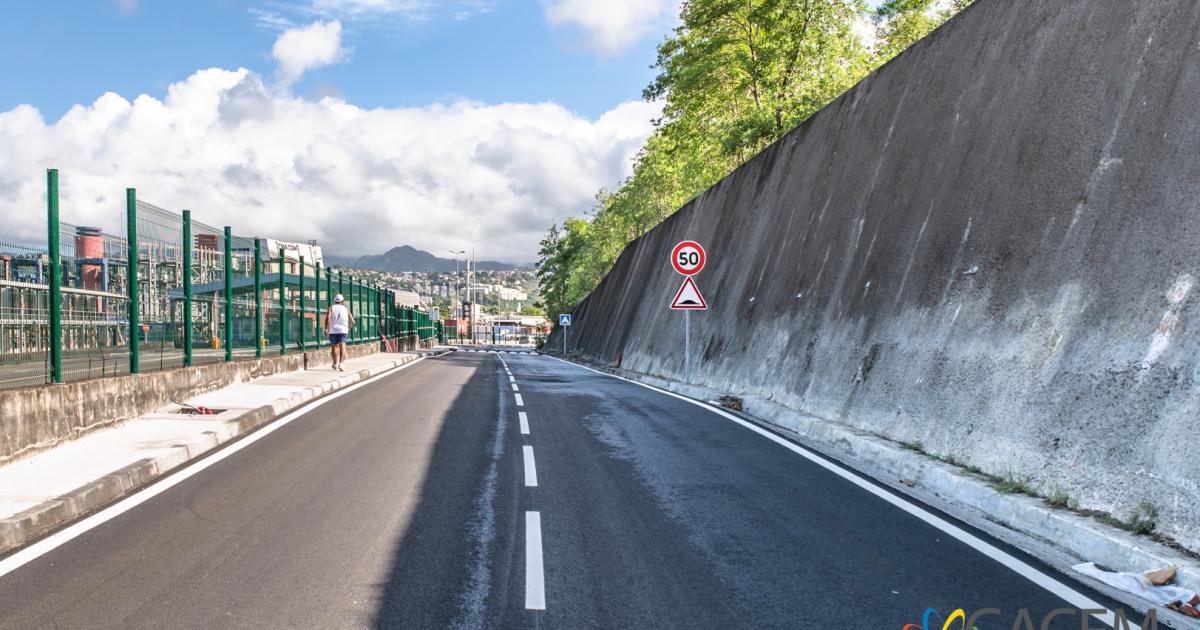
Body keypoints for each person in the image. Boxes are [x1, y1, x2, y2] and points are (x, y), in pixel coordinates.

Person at [323, 294, 354, 371]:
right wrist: (349, 327)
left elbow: (328, 317)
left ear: (335, 301)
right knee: (343, 347)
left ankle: (335, 364)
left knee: (334, 347)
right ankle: (341, 364)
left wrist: (326, 328)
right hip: (343, 330)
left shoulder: (331, 307)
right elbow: (353, 321)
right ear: (342, 301)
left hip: (333, 330)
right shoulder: (346, 309)